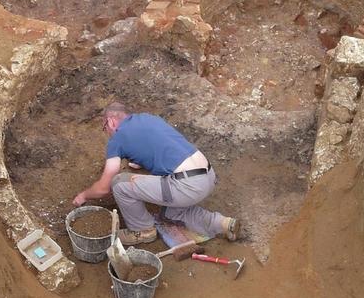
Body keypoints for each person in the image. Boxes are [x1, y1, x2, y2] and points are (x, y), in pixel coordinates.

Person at [73, 102, 240, 246]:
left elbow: (103, 188)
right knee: (171, 212)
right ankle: (223, 223)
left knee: (119, 183)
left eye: (104, 128)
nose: (107, 132)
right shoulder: (148, 119)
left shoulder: (117, 138)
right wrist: (139, 162)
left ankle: (142, 230)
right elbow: (157, 144)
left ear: (111, 121)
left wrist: (84, 195)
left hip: (186, 185)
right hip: (208, 176)